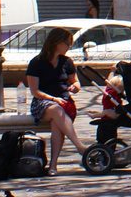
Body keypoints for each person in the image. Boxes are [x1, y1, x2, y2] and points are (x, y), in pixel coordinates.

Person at [26, 26, 85, 174]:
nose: (69, 47)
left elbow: (76, 82)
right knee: (57, 110)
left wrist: (75, 87)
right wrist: (54, 99)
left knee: (57, 125)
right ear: (57, 43)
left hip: (64, 101)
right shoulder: (37, 62)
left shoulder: (67, 62)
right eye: (67, 43)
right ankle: (79, 146)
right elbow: (35, 91)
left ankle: (53, 166)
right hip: (43, 102)